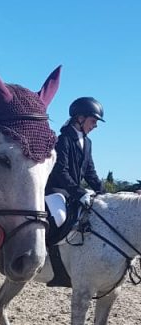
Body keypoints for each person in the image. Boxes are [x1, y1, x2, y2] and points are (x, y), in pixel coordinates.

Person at [45, 97, 105, 228]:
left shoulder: (87, 142)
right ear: (80, 118)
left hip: (73, 191)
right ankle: (44, 241)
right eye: (93, 121)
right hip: (56, 191)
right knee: (60, 217)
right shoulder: (63, 140)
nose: (95, 126)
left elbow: (90, 172)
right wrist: (79, 193)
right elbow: (61, 171)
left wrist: (104, 193)